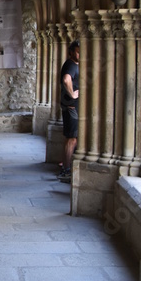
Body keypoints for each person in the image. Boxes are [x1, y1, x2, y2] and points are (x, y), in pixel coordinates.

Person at [58, 39, 80, 182]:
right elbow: (66, 80)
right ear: (71, 52)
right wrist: (72, 94)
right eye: (78, 52)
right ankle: (66, 170)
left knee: (73, 138)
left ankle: (66, 166)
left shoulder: (73, 64)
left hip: (71, 107)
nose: (80, 55)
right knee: (72, 138)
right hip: (71, 107)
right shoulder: (71, 65)